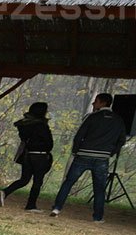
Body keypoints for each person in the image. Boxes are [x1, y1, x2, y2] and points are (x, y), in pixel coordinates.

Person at [50, 93, 127, 223]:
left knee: (68, 182)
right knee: (99, 188)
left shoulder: (92, 117)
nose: (93, 104)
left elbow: (79, 135)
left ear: (102, 103)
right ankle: (98, 216)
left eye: (96, 101)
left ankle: (57, 208)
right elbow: (122, 140)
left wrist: (76, 151)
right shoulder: (118, 120)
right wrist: (111, 152)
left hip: (84, 154)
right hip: (102, 158)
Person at [0, 102, 54, 212]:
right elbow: (48, 143)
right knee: (37, 181)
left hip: (27, 155)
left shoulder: (24, 125)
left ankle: (5, 192)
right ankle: (31, 205)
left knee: (24, 179)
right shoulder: (41, 125)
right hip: (40, 156)